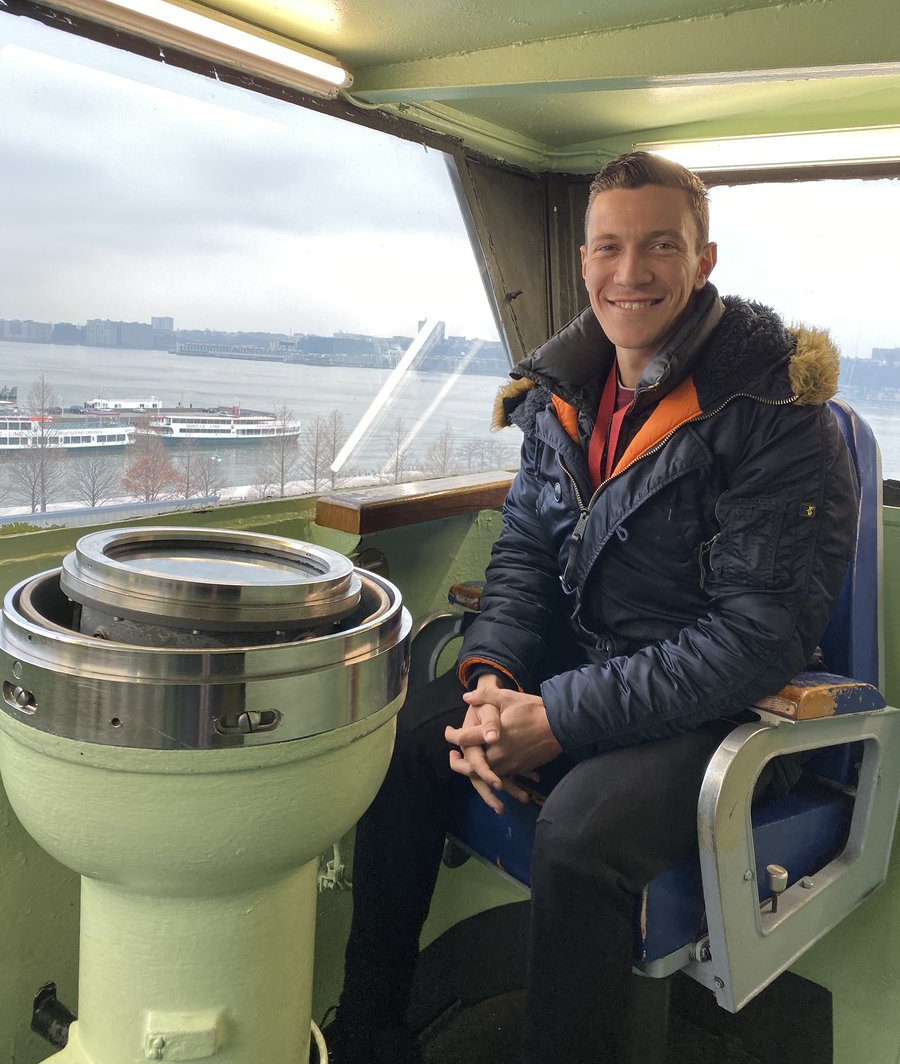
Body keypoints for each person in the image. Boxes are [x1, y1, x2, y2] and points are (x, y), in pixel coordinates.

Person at [324, 152, 857, 1064]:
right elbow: (526, 555)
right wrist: (493, 681)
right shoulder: (561, 396)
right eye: (609, 247)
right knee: (404, 737)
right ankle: (368, 1033)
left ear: (704, 260)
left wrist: (559, 719)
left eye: (661, 246)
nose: (630, 272)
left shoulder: (776, 408)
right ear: (583, 263)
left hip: (720, 710)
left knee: (579, 835)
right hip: (585, 673)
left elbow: (756, 637)